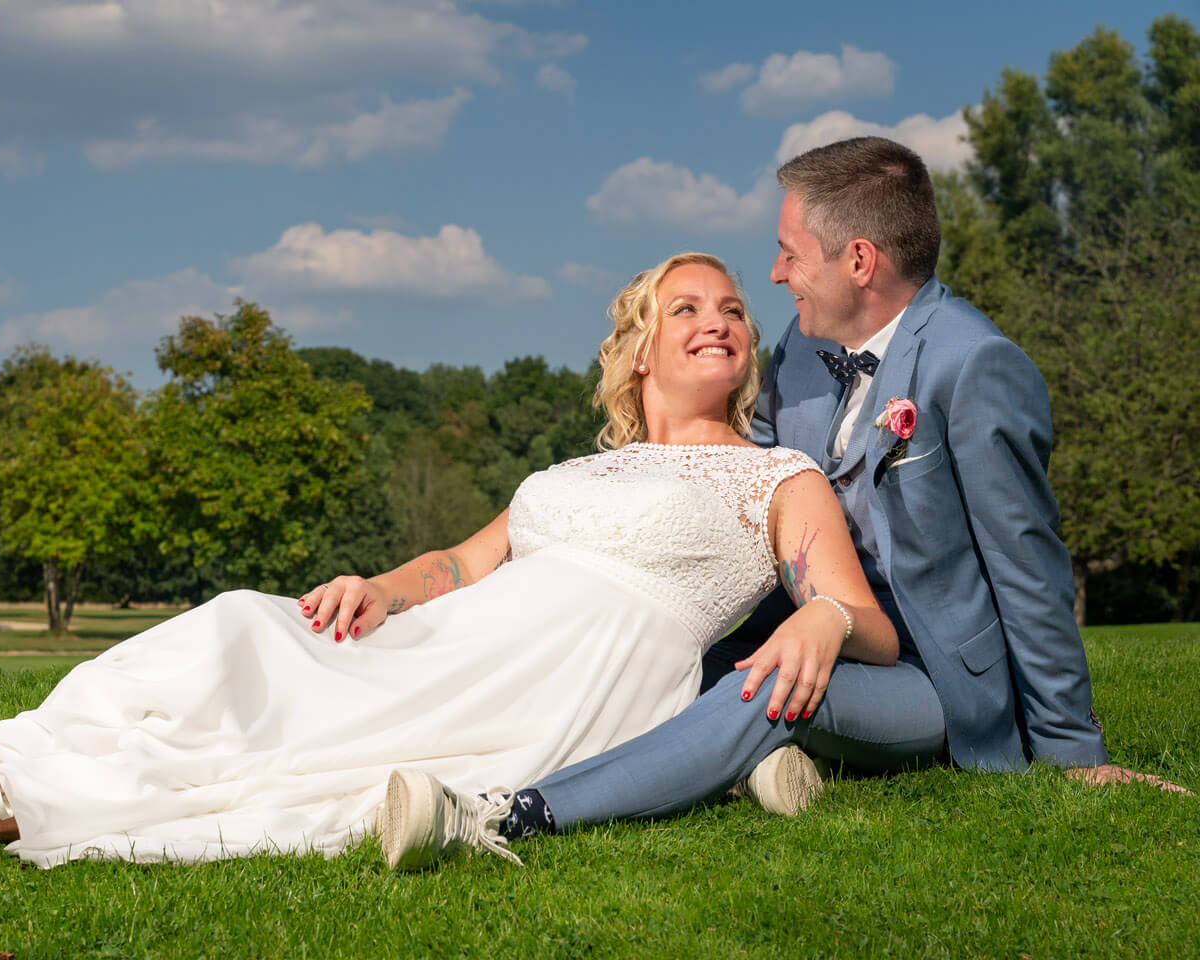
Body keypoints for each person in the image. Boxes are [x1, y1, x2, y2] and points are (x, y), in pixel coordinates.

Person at [0, 252, 900, 871]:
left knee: (307, 743)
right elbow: (463, 560)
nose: (718, 322)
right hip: (469, 627)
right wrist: (379, 588)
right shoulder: (582, 471)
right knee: (248, 626)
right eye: (690, 309)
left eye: (733, 312)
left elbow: (869, 622)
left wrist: (823, 618)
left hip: (576, 667)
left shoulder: (777, 477)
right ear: (638, 349)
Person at [382, 136, 1185, 872]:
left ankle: (515, 816)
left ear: (860, 260)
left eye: (788, 253)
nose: (773, 275)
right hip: (806, 624)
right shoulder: (803, 350)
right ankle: (729, 765)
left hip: (928, 673)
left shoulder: (973, 366)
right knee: (656, 667)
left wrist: (1073, 748)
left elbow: (1027, 564)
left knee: (767, 682)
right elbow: (743, 492)